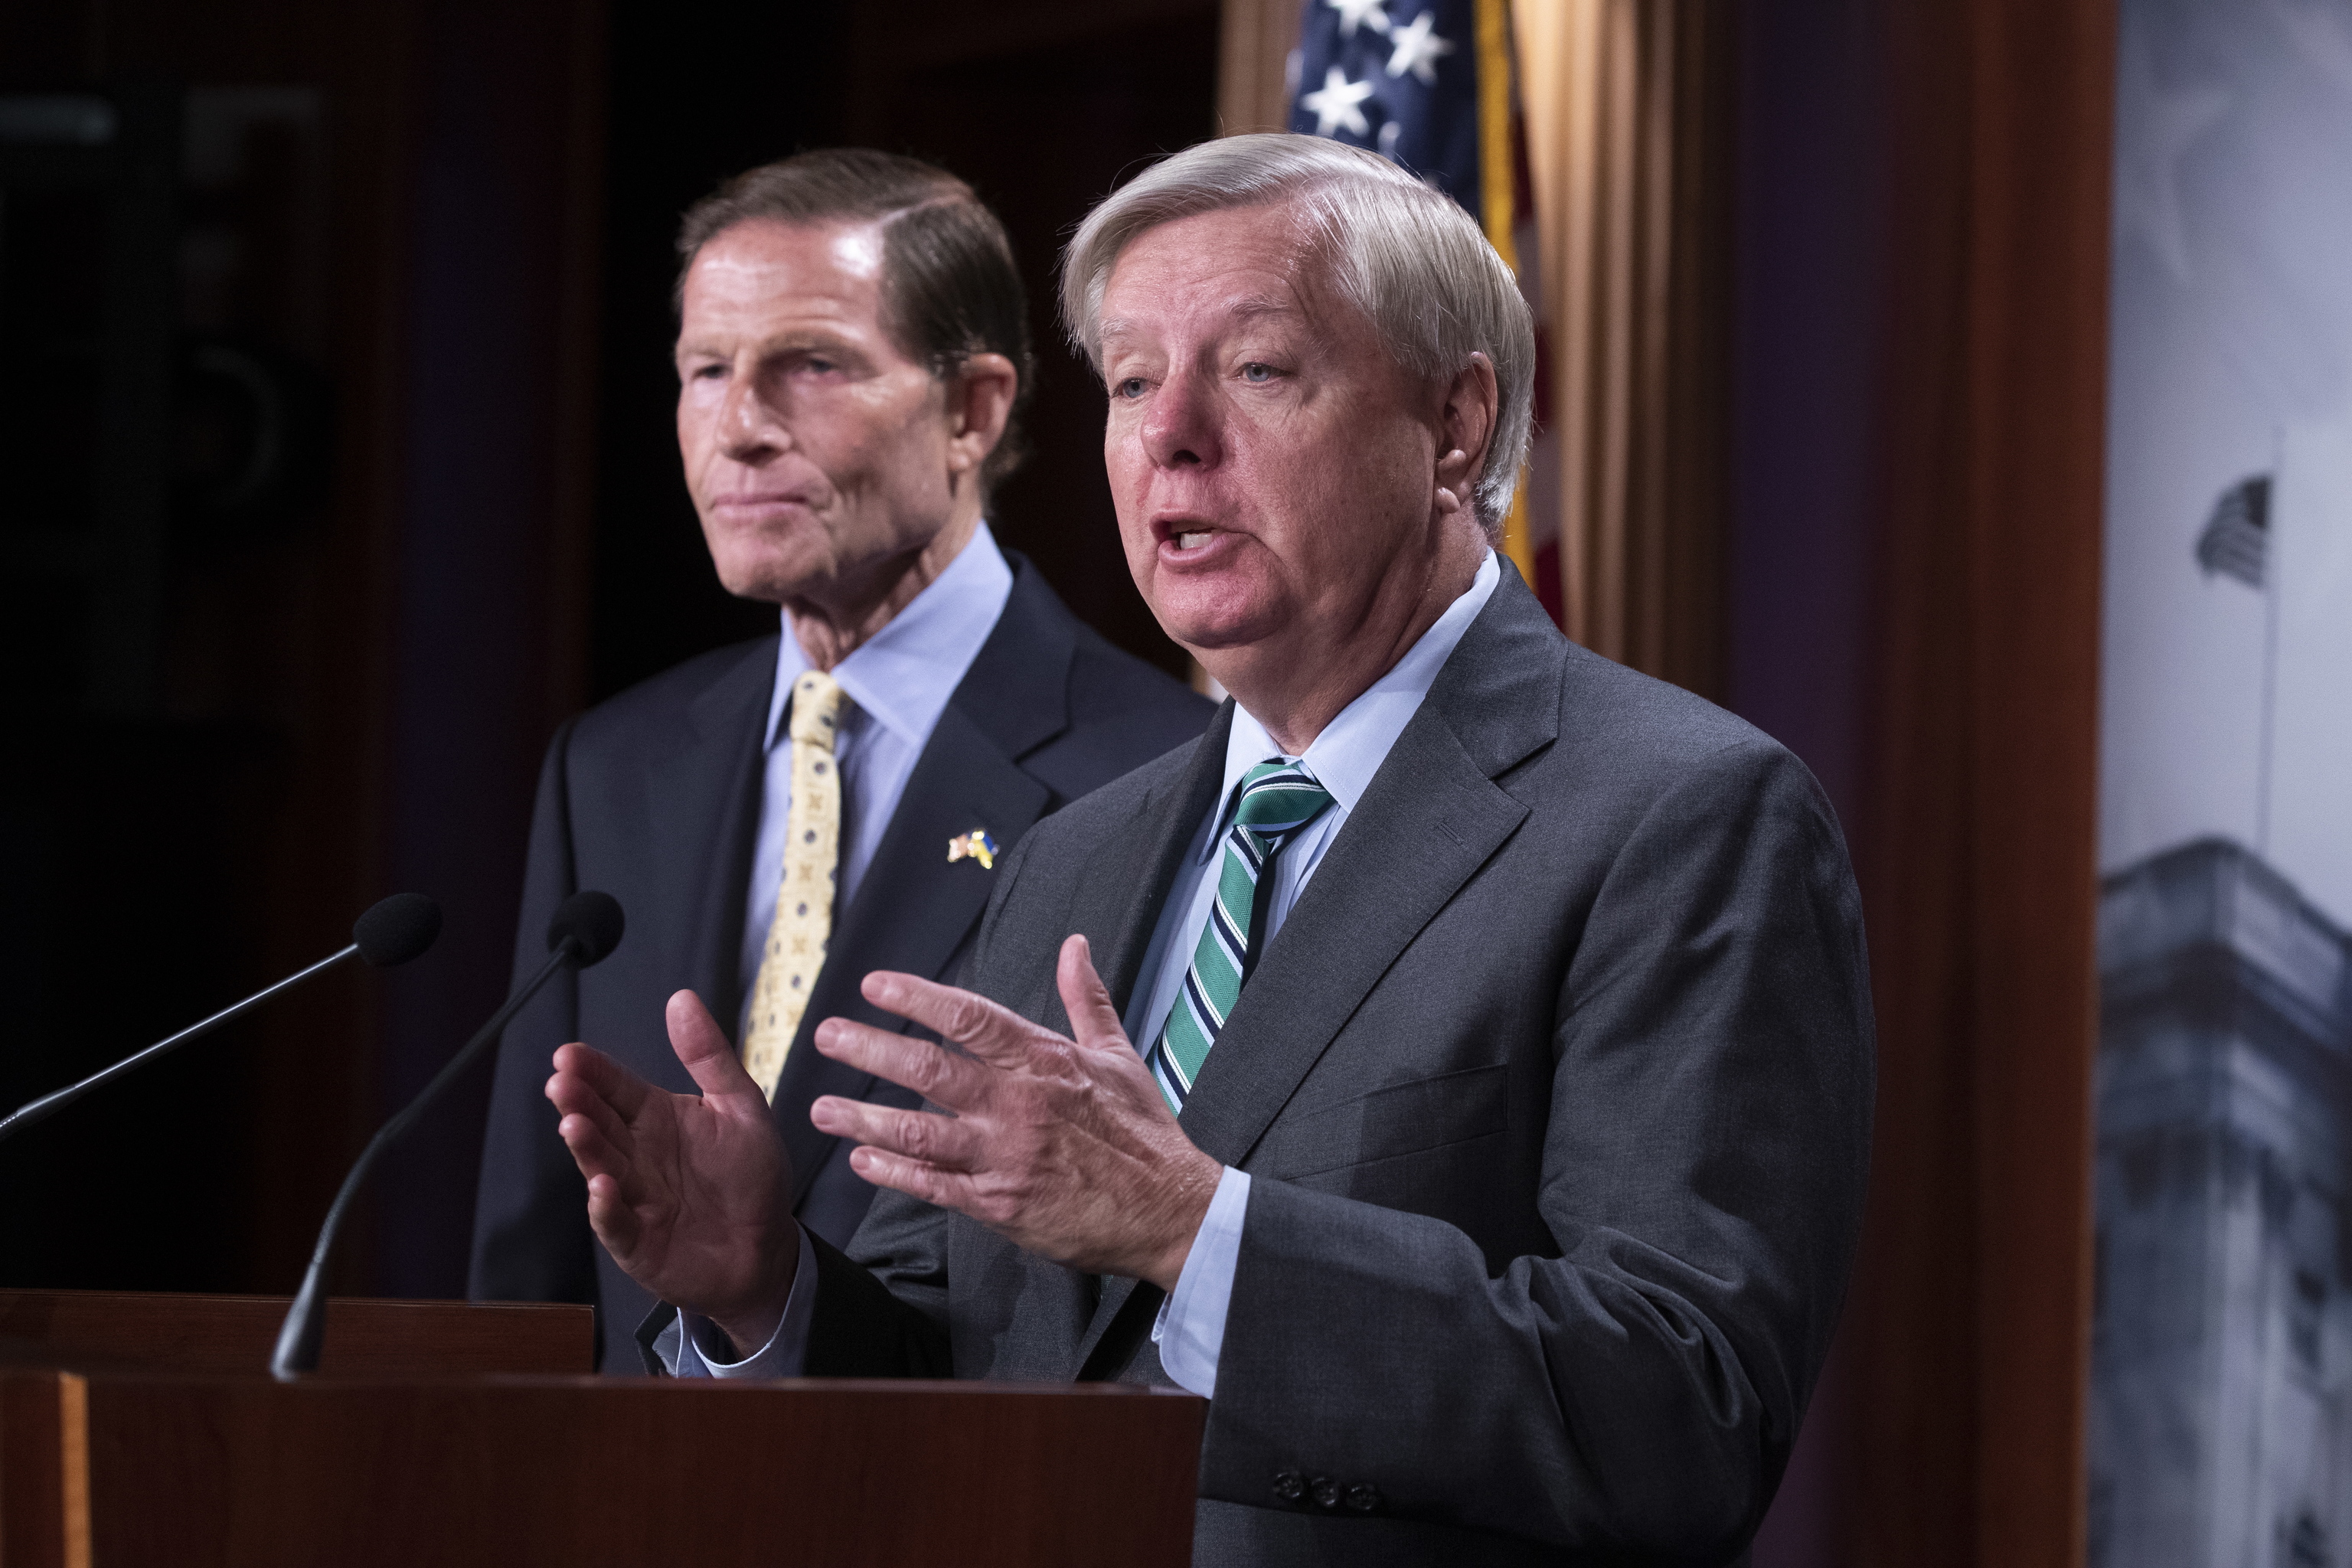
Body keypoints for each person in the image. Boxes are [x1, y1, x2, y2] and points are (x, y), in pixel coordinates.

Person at [545, 134, 1874, 1563]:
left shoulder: (1682, 817)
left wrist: (1193, 1227)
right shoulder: (1073, 860)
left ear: (1458, 424)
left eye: (1257, 370)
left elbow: (1680, 1412)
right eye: (1129, 382)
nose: (1171, 434)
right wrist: (766, 1292)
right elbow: (961, 1372)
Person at [469, 149, 1212, 1373]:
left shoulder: (1160, 770)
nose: (739, 428)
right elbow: (531, 1254)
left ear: (973, 409)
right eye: (706, 370)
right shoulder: (613, 764)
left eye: (809, 366)